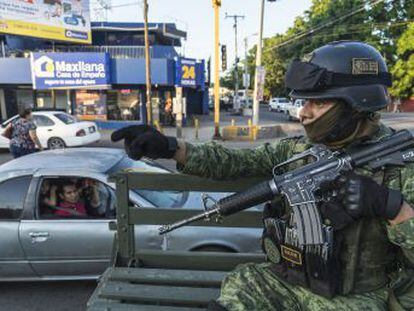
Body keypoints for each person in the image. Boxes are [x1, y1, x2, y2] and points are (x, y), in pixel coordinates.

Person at [111, 41, 414, 310]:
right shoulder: (300, 151)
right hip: (288, 282)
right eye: (304, 102)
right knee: (240, 288)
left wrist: (394, 208)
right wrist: (170, 147)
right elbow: (234, 161)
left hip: (354, 299)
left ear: (356, 104)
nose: (303, 113)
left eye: (318, 103)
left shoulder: (398, 164)